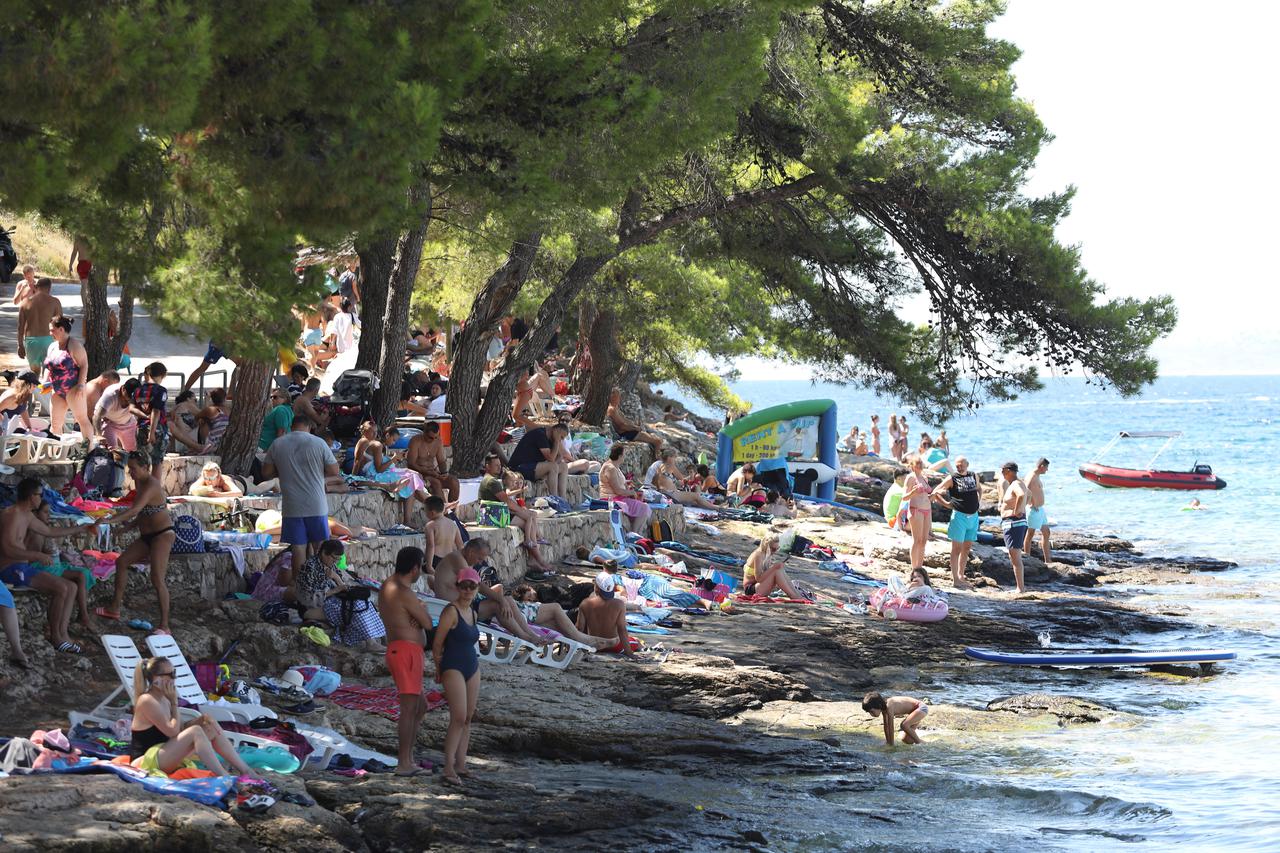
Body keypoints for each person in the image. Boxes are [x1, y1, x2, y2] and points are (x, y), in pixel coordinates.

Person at [0, 478, 94, 653]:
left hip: (22, 567)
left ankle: (63, 634)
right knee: (62, 588)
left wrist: (81, 529)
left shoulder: (26, 514)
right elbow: (7, 548)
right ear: (31, 496)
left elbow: (49, 531)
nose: (41, 498)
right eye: (39, 495)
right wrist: (36, 555)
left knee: (72, 587)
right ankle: (56, 638)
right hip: (9, 569)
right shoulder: (11, 514)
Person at [129, 656, 253, 777]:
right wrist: (174, 703)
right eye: (171, 674)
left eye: (174, 673)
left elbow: (180, 728)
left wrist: (199, 721)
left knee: (208, 723)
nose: (174, 678)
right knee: (195, 731)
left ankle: (245, 770)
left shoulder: (163, 698)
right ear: (156, 679)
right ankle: (223, 775)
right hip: (145, 761)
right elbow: (173, 732)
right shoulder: (147, 700)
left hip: (162, 753)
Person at [96, 453, 177, 633]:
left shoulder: (151, 485)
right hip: (147, 536)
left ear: (145, 468)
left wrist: (109, 522)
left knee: (157, 579)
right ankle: (114, 608)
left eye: (133, 468)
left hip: (162, 535)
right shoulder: (140, 483)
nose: (130, 472)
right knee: (121, 562)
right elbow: (144, 513)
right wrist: (124, 529)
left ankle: (165, 626)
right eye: (129, 468)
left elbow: (134, 510)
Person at [378, 546, 436, 777]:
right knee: (409, 709)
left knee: (420, 706)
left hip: (400, 651)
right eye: (420, 567)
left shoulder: (387, 585)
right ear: (414, 568)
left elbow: (419, 621)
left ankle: (409, 757)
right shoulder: (404, 592)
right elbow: (429, 623)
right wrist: (420, 610)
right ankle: (404, 762)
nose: (421, 572)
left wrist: (416, 615)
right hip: (405, 653)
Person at [262, 414, 342, 573]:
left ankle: (300, 587)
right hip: (316, 505)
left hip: (292, 506)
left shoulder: (278, 444)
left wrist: (284, 471)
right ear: (309, 426)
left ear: (292, 426)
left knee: (298, 548)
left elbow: (266, 473)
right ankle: (321, 583)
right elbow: (334, 471)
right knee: (321, 547)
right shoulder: (319, 443)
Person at [433, 566, 482, 785]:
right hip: (453, 665)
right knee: (458, 717)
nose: (468, 591)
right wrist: (438, 668)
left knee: (469, 717)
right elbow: (437, 644)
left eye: (472, 587)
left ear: (477, 588)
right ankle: (448, 767)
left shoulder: (473, 612)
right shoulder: (450, 611)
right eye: (464, 586)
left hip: (472, 665)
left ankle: (461, 764)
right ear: (457, 587)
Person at [478, 453, 553, 572]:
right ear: (487, 466)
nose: (499, 467)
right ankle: (538, 559)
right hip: (493, 514)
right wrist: (522, 511)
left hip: (495, 512)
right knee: (528, 521)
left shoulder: (491, 480)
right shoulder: (491, 481)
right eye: (496, 465)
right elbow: (507, 501)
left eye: (500, 465)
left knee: (529, 521)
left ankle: (534, 559)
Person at [352, 421, 431, 526]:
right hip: (374, 475)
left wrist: (353, 477)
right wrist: (394, 459)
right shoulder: (377, 445)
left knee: (411, 478)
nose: (375, 435)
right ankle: (434, 505)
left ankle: (432, 505)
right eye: (372, 432)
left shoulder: (364, 442)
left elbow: (357, 462)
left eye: (376, 432)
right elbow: (379, 469)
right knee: (410, 480)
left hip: (371, 474)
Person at [510, 584, 615, 650]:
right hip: (567, 607)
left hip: (577, 597)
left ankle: (587, 639)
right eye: (529, 600)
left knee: (560, 620)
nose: (532, 599)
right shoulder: (531, 602)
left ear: (529, 588)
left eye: (530, 596)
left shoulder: (543, 591)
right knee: (556, 609)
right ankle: (586, 640)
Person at [41, 316, 95, 440]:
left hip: (73, 389)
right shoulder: (52, 346)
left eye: (52, 330)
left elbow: (84, 364)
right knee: (55, 424)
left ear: (61, 329)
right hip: (57, 390)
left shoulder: (74, 345)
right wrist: (45, 381)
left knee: (82, 420)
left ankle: (89, 450)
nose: (50, 333)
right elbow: (49, 367)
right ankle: (54, 453)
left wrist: (81, 385)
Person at [932, 456, 979, 589]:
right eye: (957, 465)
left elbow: (979, 489)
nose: (959, 467)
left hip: (974, 517)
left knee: (967, 548)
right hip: (959, 517)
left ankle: (961, 576)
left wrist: (979, 501)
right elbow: (936, 491)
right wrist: (946, 504)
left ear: (967, 464)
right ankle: (955, 580)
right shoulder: (952, 478)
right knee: (956, 549)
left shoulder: (973, 475)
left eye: (962, 465)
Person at [575, 572, 634, 655]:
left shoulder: (585, 603)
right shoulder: (619, 604)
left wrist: (578, 646)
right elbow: (622, 629)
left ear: (596, 588)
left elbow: (579, 627)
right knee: (637, 642)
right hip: (613, 646)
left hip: (593, 645)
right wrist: (629, 653)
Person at [598, 443, 651, 534]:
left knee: (643, 505)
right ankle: (634, 533)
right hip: (611, 499)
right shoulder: (610, 468)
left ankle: (637, 533)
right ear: (620, 456)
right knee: (644, 507)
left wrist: (627, 484)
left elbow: (619, 483)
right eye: (624, 455)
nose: (624, 457)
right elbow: (617, 490)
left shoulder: (615, 467)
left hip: (618, 498)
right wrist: (632, 493)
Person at [508, 422, 570, 499]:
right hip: (519, 467)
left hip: (533, 468)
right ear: (555, 430)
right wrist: (557, 441)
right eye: (561, 437)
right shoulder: (540, 435)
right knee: (553, 466)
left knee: (564, 466)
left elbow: (560, 456)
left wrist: (551, 467)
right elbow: (551, 458)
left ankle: (563, 500)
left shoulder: (552, 439)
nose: (561, 440)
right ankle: (555, 499)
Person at [130, 362, 170, 478]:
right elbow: (156, 411)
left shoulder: (137, 390)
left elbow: (131, 408)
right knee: (157, 462)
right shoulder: (160, 390)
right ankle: (155, 492)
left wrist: (144, 416)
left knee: (142, 462)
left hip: (141, 428)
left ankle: (142, 490)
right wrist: (151, 432)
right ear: (163, 375)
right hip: (156, 429)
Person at [16, 277, 62, 373]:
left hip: (31, 342)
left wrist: (20, 345)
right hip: (49, 341)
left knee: (34, 375)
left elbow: (20, 326)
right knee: (48, 375)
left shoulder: (25, 302)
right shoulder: (55, 302)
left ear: (36, 287)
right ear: (49, 288)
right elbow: (60, 325)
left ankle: (35, 388)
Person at [406, 421, 459, 502]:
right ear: (424, 433)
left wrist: (444, 473)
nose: (433, 440)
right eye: (431, 437)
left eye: (436, 437)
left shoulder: (438, 441)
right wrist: (428, 472)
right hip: (419, 474)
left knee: (454, 482)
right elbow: (411, 464)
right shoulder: (416, 441)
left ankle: (452, 511)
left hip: (433, 473)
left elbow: (441, 461)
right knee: (436, 483)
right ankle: (444, 511)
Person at [742, 535, 807, 600]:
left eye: (777, 548)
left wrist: (775, 567)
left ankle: (796, 594)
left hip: (758, 586)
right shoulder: (758, 555)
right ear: (766, 546)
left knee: (779, 569)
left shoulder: (767, 554)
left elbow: (766, 574)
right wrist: (773, 567)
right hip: (751, 590)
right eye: (773, 549)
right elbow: (759, 579)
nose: (775, 551)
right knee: (776, 570)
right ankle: (793, 596)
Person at [648, 448, 717, 509]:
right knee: (696, 496)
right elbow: (682, 478)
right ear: (669, 458)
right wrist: (692, 476)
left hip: (663, 493)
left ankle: (710, 506)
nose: (675, 459)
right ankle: (717, 508)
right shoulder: (671, 466)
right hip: (672, 495)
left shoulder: (659, 468)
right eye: (674, 457)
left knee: (694, 501)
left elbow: (654, 482)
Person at [998, 461, 1028, 593]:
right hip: (1014, 522)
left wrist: (1017, 510)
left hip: (1014, 522)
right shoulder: (1018, 483)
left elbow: (1022, 495)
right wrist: (1021, 508)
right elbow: (1030, 495)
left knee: (1015, 557)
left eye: (1003, 471)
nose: (1002, 474)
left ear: (1009, 471)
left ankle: (1020, 588)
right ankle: (1020, 587)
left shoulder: (1016, 484)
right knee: (1014, 556)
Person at [862, 691, 927, 746]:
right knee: (907, 740)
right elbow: (886, 727)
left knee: (904, 725)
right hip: (914, 712)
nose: (871, 714)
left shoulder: (889, 707)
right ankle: (926, 744)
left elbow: (891, 727)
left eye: (872, 711)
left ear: (878, 705)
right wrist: (888, 742)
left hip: (920, 708)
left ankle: (920, 744)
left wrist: (892, 745)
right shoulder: (884, 710)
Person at [901, 455, 932, 571]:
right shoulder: (910, 478)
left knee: (924, 540)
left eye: (921, 463)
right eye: (917, 464)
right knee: (917, 540)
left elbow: (926, 494)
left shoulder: (924, 477)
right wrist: (913, 492)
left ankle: (920, 567)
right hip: (916, 510)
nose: (920, 466)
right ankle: (914, 568)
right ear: (912, 466)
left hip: (927, 510)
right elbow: (904, 497)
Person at [93, 377, 140, 451]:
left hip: (128, 423)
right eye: (128, 398)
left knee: (133, 452)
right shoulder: (110, 395)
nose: (130, 401)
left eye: (133, 399)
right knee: (111, 451)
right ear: (123, 389)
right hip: (110, 423)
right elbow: (97, 416)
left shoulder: (140, 395)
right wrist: (98, 435)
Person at [1023, 457, 1051, 565]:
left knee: (1046, 532)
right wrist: (1030, 503)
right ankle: (1027, 558)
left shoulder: (1037, 475)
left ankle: (1048, 560)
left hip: (1040, 510)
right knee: (1030, 534)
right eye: (1046, 468)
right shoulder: (1032, 476)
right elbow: (1025, 490)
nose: (1047, 470)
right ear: (1041, 466)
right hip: (1033, 510)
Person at [424, 495, 463, 571]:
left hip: (436, 560)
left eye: (425, 511)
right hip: (449, 559)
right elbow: (460, 545)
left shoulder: (430, 525)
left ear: (432, 513)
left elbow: (430, 546)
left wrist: (429, 566)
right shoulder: (453, 524)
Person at [197, 387, 230, 453]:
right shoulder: (229, 410)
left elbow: (196, 417)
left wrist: (206, 400)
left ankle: (204, 446)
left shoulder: (211, 410)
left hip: (215, 441)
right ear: (224, 398)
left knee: (203, 420)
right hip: (227, 440)